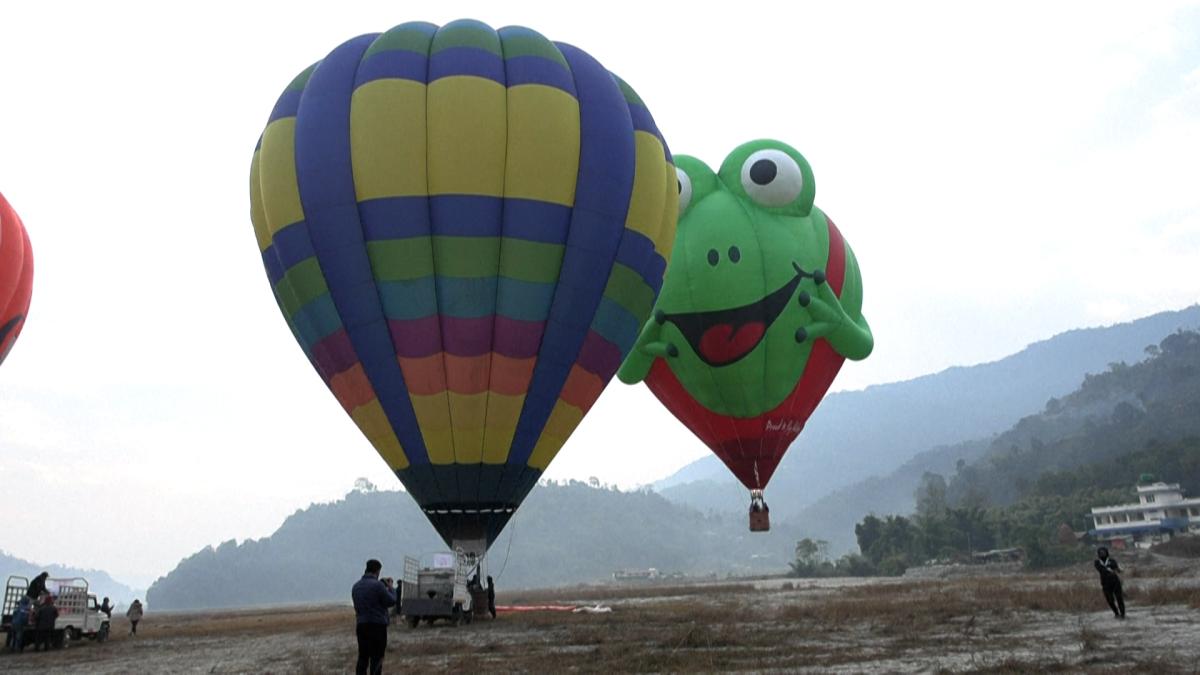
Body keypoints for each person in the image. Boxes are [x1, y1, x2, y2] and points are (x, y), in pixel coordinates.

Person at [351, 559, 396, 675]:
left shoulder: (356, 587)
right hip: (377, 626)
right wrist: (390, 587)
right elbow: (391, 601)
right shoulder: (378, 585)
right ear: (378, 571)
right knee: (377, 657)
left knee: (363, 657)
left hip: (361, 625)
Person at [1094, 547, 1126, 619]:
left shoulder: (1112, 560)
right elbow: (1100, 569)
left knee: (1119, 598)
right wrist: (1109, 569)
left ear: (1107, 552)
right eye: (1100, 552)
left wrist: (1114, 569)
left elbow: (1115, 567)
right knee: (1110, 600)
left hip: (1115, 582)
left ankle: (1123, 614)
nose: (1102, 553)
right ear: (1098, 554)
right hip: (1105, 583)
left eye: (1103, 552)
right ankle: (1116, 613)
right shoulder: (1097, 562)